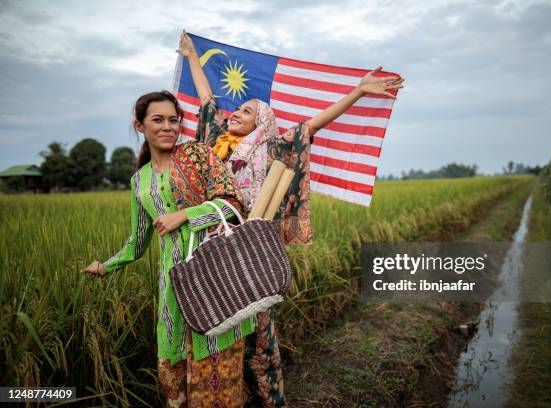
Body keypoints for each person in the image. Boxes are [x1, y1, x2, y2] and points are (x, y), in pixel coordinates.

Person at [178, 31, 404, 407]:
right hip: (210, 245)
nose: (235, 112)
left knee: (257, 327)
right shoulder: (214, 144)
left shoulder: (271, 149)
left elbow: (311, 127)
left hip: (249, 248)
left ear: (261, 123)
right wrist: (190, 56)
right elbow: (207, 102)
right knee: (215, 323)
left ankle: (269, 397)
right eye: (238, 108)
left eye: (247, 111)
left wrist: (359, 91)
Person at [80, 90, 253, 407]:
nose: (167, 127)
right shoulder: (139, 180)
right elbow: (138, 240)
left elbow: (233, 203)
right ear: (140, 126)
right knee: (174, 373)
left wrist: (184, 215)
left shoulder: (198, 154)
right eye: (157, 120)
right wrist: (105, 266)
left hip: (215, 283)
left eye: (174, 120)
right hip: (172, 288)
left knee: (218, 380)